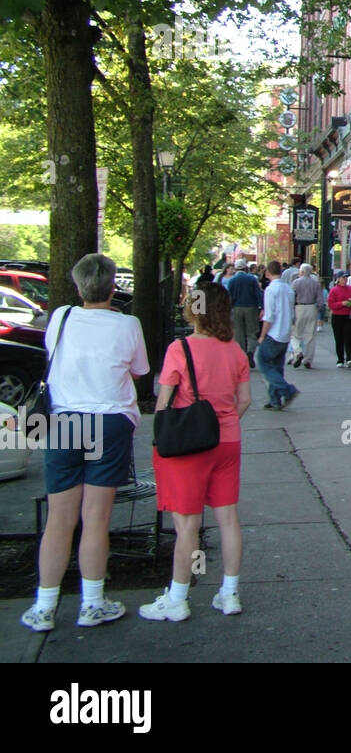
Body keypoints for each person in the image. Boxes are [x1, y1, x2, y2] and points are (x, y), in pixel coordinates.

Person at [20, 253, 150, 632]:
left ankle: (44, 606)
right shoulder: (129, 324)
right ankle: (92, 602)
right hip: (110, 422)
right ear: (114, 287)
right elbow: (140, 370)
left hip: (65, 421)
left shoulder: (59, 317)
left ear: (78, 286)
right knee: (96, 517)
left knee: (59, 518)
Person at [140, 284, 251, 621]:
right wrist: (223, 422)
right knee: (228, 519)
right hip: (227, 441)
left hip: (188, 446)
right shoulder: (235, 350)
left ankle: (177, 599)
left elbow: (163, 401)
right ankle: (229, 594)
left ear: (195, 309)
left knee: (187, 525)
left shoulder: (180, 348)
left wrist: (162, 437)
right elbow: (244, 399)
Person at [255, 260, 298, 410]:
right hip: (285, 331)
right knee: (276, 366)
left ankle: (287, 390)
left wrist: (262, 335)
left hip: (274, 333)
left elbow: (269, 315)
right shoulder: (288, 289)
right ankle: (275, 398)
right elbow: (292, 312)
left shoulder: (270, 290)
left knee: (263, 362)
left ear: (267, 273)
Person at [226, 259, 263, 368]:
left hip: (236, 308)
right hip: (251, 307)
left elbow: (229, 297)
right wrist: (261, 307)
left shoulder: (232, 281)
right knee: (252, 332)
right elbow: (258, 293)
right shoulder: (252, 279)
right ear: (245, 268)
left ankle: (242, 356)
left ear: (236, 268)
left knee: (239, 333)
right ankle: (250, 351)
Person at [289, 262, 325, 368]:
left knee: (295, 334)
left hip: (299, 308)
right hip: (311, 308)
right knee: (310, 335)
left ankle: (298, 351)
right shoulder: (315, 283)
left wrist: (291, 310)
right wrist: (319, 309)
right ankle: (308, 359)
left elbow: (292, 297)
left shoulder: (295, 282)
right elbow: (320, 300)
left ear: (302, 272)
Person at [328, 270, 351, 368]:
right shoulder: (334, 290)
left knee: (348, 337)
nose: (345, 279)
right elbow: (331, 304)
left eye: (346, 277)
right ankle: (340, 359)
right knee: (339, 338)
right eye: (343, 277)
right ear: (338, 279)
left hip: (349, 316)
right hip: (337, 316)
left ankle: (350, 358)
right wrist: (342, 303)